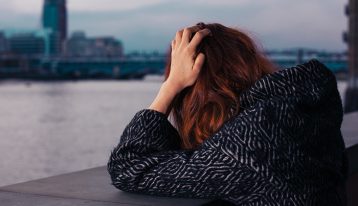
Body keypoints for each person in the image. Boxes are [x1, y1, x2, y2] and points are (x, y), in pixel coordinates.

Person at [107, 22, 348, 205]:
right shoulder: (305, 114)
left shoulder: (245, 148)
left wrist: (170, 87)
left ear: (197, 88)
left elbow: (128, 168)